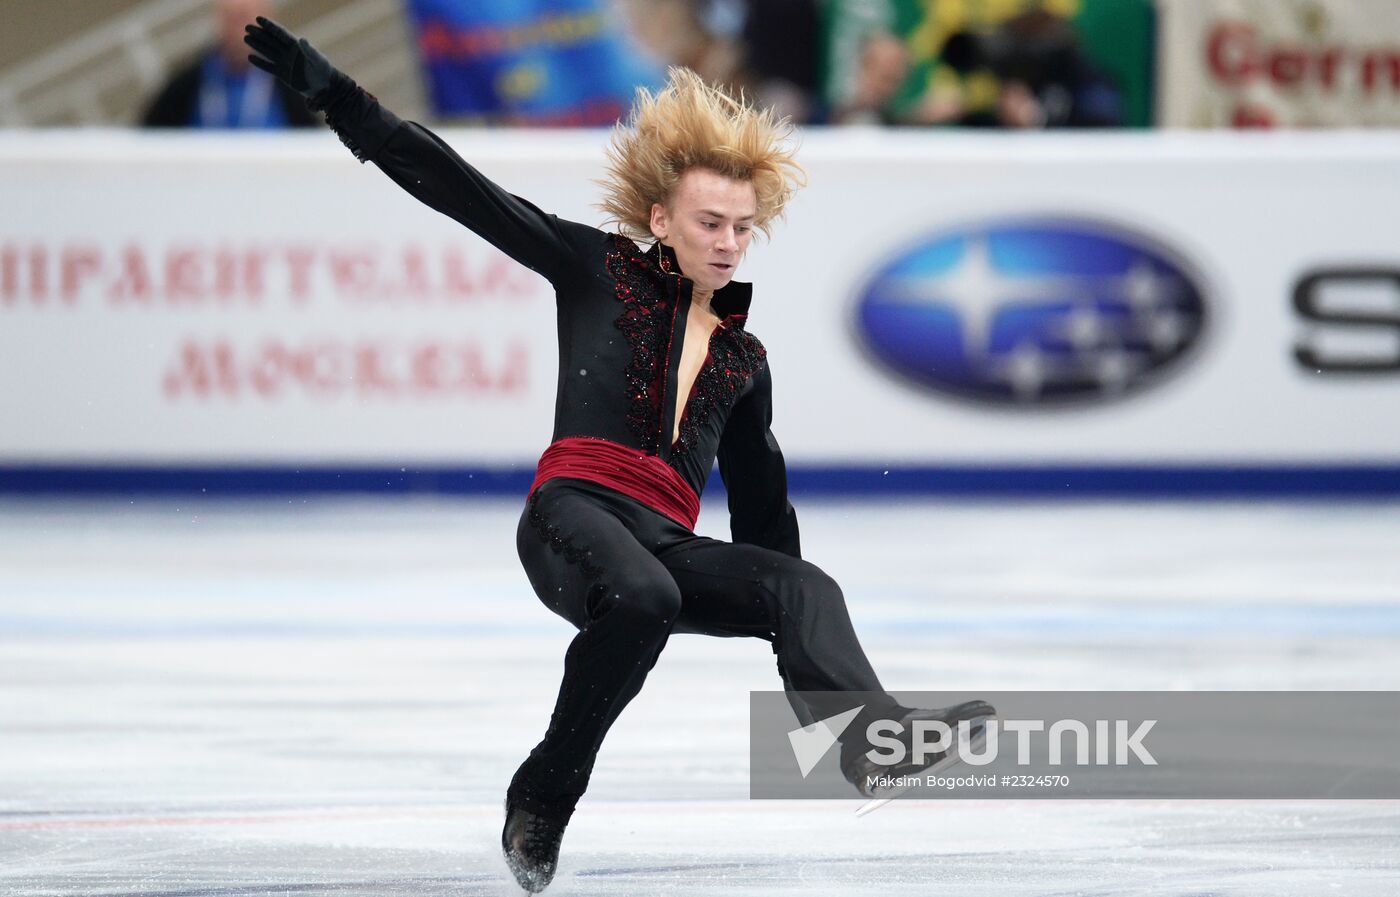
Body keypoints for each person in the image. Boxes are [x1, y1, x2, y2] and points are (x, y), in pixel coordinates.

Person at [243, 16, 994, 893]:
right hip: (572, 514)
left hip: (665, 539)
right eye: (709, 222)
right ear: (659, 218)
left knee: (803, 584)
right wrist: (338, 97)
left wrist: (787, 616)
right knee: (646, 596)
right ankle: (543, 796)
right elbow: (460, 188)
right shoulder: (596, 267)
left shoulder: (744, 362)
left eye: (741, 228)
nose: (725, 241)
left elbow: (763, 512)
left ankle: (869, 746)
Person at [142, 0, 316, 129]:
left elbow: (312, 148)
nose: (242, 30)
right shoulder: (185, 85)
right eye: (233, 19)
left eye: (248, 18)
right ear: (218, 22)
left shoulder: (290, 88)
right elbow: (147, 140)